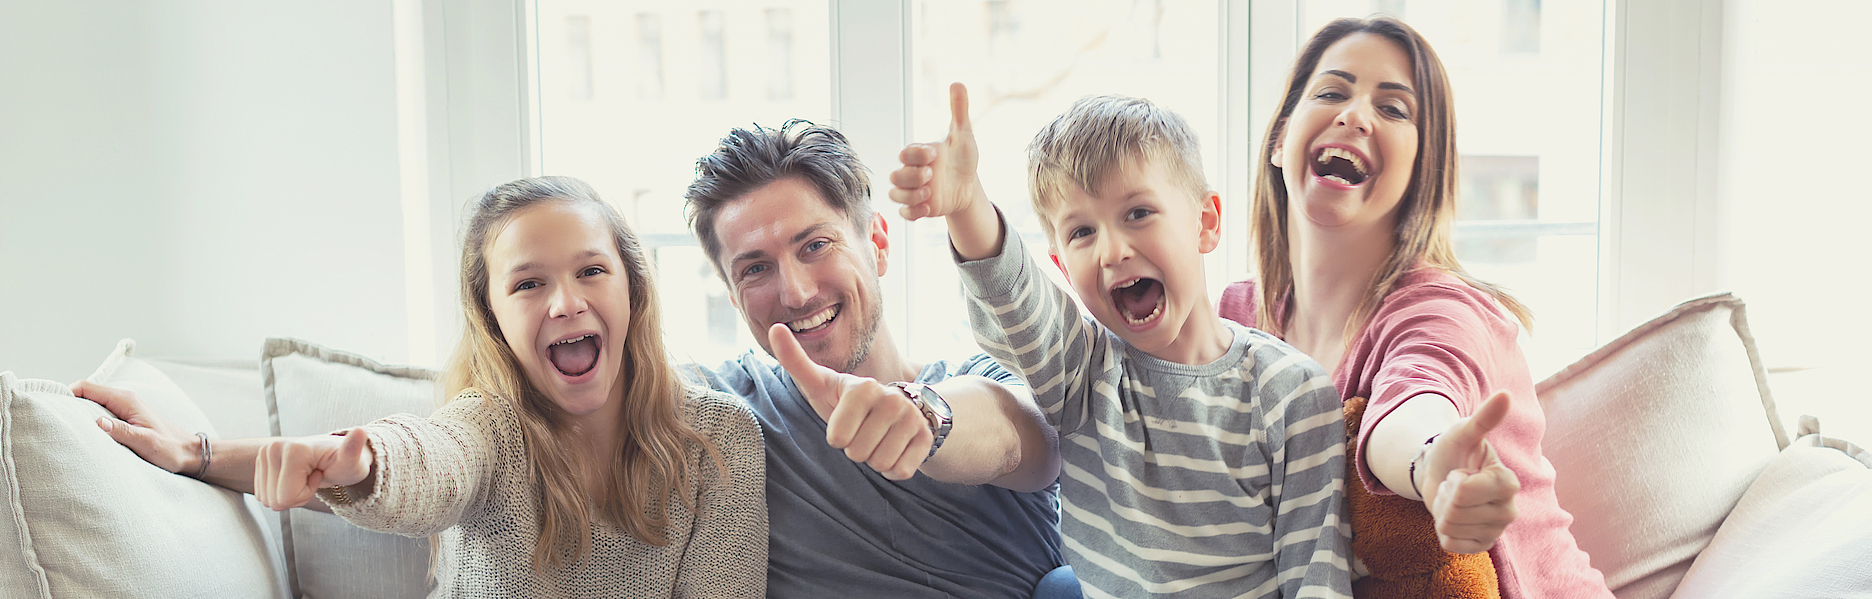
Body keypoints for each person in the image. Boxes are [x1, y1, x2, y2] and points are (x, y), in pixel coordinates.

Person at [76, 176, 767, 598]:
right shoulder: (490, 429)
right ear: (492, 316)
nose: (565, 303)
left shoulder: (720, 438)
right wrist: (357, 461)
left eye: (591, 270)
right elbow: (424, 458)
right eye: (528, 283)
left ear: (634, 288)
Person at [891, 85, 1352, 598]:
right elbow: (1014, 298)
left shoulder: (1292, 393)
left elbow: (1317, 578)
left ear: (1206, 222)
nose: (1112, 250)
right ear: (1063, 265)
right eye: (1082, 232)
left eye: (1138, 213)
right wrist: (965, 206)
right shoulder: (1083, 371)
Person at [1220, 16, 1610, 598]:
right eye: (1331, 92)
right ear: (1279, 140)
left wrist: (1432, 465)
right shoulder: (1236, 315)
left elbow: (1416, 399)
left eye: (1394, 108)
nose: (1354, 115)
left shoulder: (1443, 309)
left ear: (1421, 169)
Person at [680, 119, 1074, 598]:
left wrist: (922, 416)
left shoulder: (978, 377)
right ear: (733, 296)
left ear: (878, 244)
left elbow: (1023, 440)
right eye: (756, 268)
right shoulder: (721, 410)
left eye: (815, 246)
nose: (797, 293)